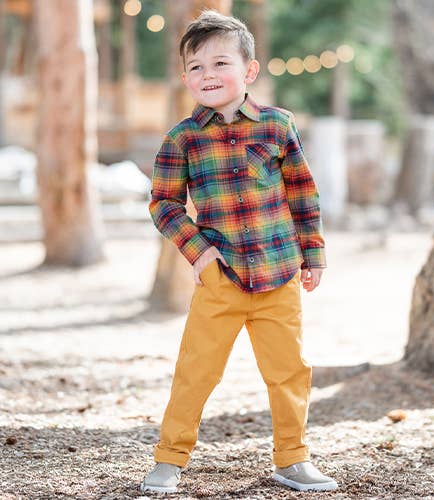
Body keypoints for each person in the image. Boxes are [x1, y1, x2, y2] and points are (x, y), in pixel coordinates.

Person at [141, 9, 337, 495]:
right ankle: (170, 459)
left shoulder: (277, 126)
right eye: (195, 67)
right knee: (195, 371)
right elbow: (163, 203)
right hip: (220, 279)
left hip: (278, 276)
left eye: (220, 63)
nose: (207, 75)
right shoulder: (182, 139)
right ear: (184, 76)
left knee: (289, 372)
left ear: (249, 70)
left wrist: (312, 253)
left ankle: (292, 459)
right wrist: (200, 254)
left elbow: (302, 193)